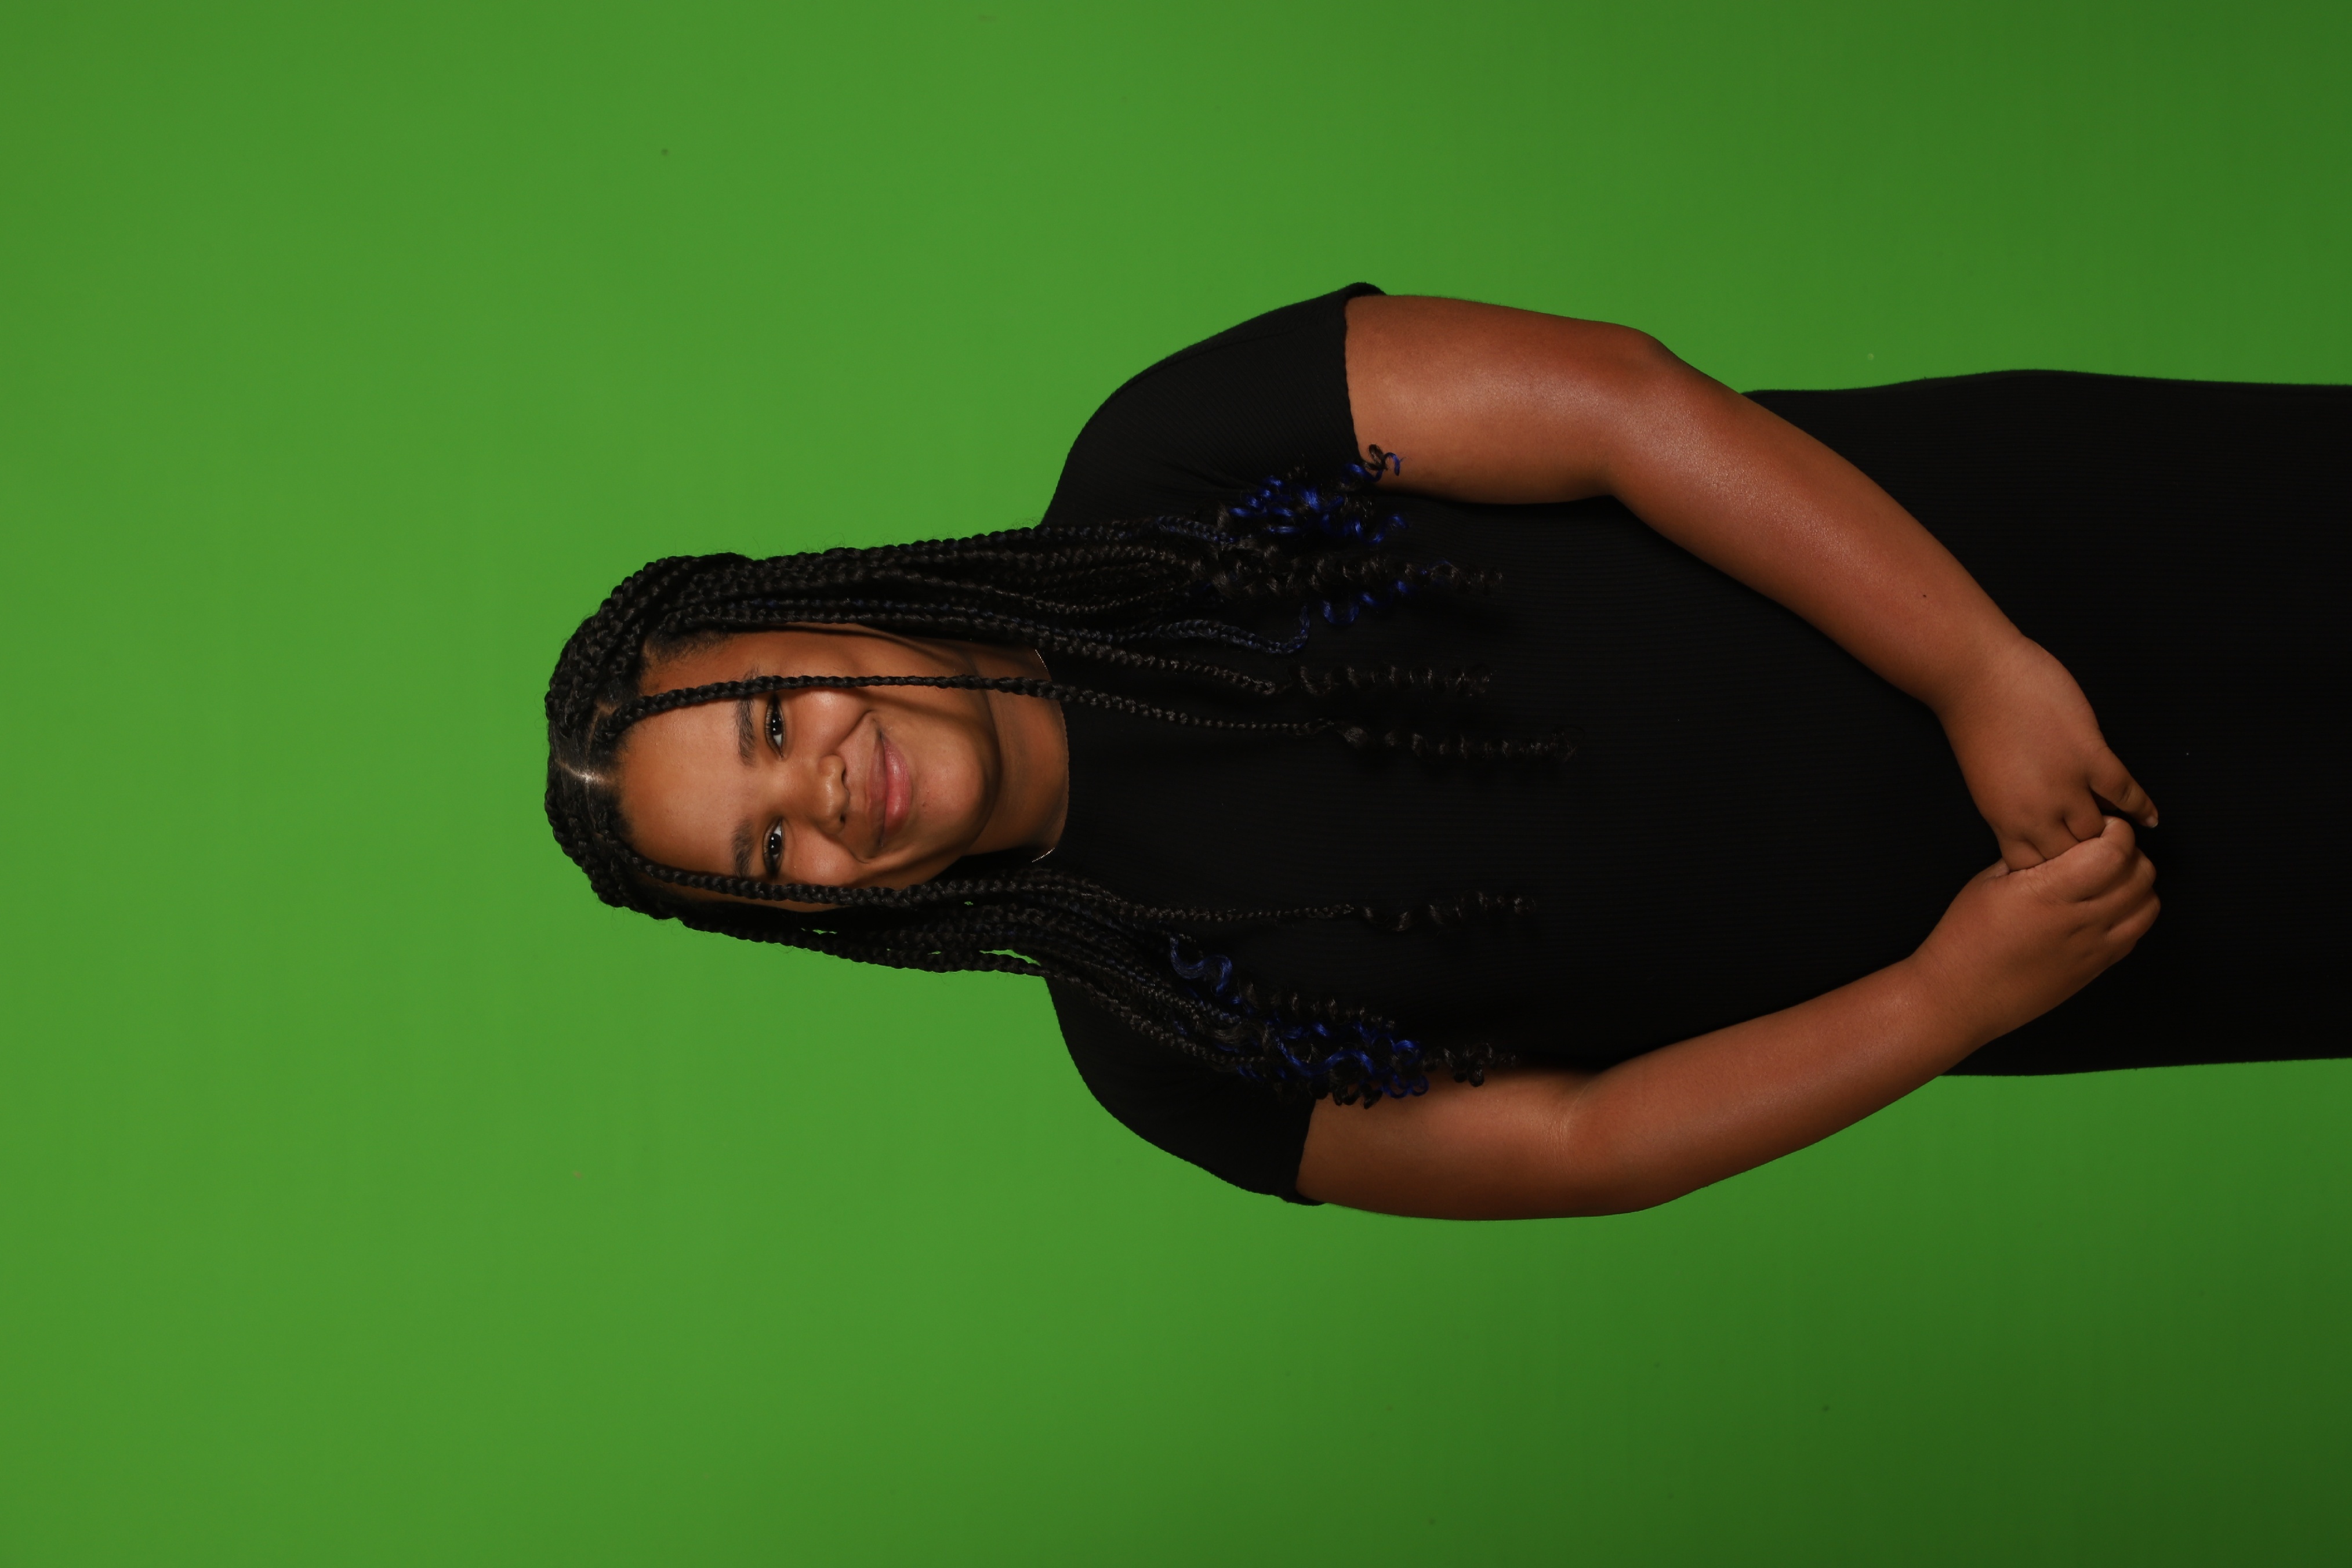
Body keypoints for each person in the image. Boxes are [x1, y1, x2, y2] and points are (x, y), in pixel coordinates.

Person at [544, 285, 2349, 1219]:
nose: (821, 791)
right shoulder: (1165, 1049)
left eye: (767, 720)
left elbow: (1622, 409)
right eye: (768, 850)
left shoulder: (1163, 466)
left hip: (2023, 560)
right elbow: (1577, 1143)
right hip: (2050, 924)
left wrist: (1975, 669)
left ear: (805, 612)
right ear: (809, 916)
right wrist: (1950, 1003)